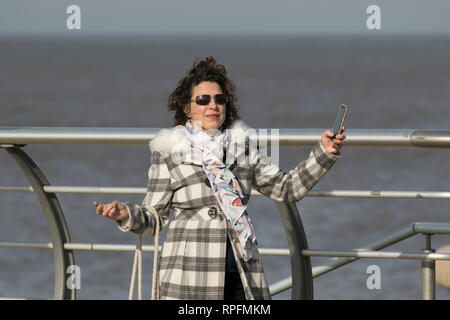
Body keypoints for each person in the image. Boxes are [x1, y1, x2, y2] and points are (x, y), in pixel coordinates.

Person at [94, 56, 346, 300]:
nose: (213, 105)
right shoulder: (169, 149)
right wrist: (125, 213)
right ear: (187, 107)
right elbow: (154, 218)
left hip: (241, 270)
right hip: (187, 276)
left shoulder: (241, 146)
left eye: (219, 99)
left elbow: (287, 188)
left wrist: (324, 152)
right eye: (203, 100)